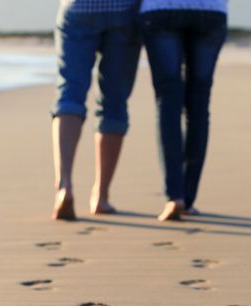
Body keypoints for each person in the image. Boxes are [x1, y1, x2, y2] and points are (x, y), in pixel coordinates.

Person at [52, 0, 142, 221]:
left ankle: (64, 185)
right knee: (114, 103)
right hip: (124, 11)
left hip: (77, 8)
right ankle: (100, 196)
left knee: (69, 95)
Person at [139, 0, 228, 221]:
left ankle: (174, 196)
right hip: (210, 10)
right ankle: (187, 199)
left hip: (160, 9)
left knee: (167, 101)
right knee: (199, 105)